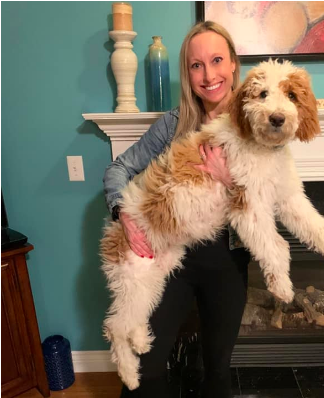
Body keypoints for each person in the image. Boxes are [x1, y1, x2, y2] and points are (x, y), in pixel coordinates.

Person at [103, 21, 250, 398]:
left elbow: (273, 202)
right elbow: (119, 168)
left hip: (229, 261)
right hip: (172, 260)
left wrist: (229, 180)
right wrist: (124, 214)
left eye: (217, 60)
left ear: (233, 63)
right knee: (146, 368)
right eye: (196, 65)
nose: (208, 74)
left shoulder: (258, 120)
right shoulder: (173, 124)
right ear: (187, 74)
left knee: (217, 370)